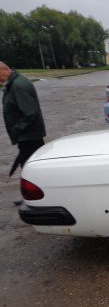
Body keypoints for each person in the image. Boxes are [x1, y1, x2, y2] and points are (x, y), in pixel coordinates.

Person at [0, 61, 47, 204]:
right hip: (27, 134)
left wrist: (17, 129)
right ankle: (36, 195)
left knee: (30, 167)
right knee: (30, 165)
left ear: (3, 70)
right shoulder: (14, 84)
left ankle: (35, 197)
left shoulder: (18, 85)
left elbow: (30, 112)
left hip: (29, 135)